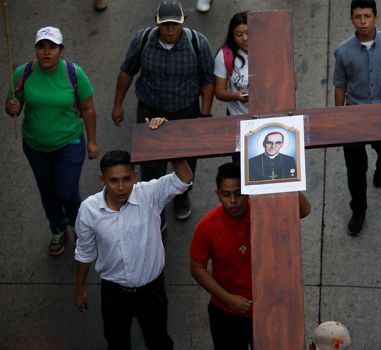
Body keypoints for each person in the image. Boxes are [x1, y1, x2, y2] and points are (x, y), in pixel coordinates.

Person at [74, 118, 193, 349]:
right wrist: (79, 290)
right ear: (102, 180)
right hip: (113, 292)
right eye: (114, 181)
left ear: (135, 176)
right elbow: (84, 252)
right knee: (117, 343)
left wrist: (165, 136)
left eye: (126, 179)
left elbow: (184, 178)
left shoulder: (150, 194)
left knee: (158, 341)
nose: (121, 187)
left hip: (152, 289)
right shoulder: (89, 209)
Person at [111, 0, 214, 226]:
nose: (169, 30)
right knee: (151, 166)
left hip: (186, 112)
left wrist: (205, 113)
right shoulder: (143, 40)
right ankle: (155, 210)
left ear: (183, 23)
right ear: (156, 23)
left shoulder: (198, 43)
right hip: (150, 111)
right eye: (165, 24)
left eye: (174, 25)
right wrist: (117, 104)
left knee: (186, 161)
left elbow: (208, 79)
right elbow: (127, 71)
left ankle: (182, 196)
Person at [190, 162, 310, 350]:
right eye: (226, 194)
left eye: (238, 193)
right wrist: (228, 298)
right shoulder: (206, 226)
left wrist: (286, 178)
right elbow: (197, 268)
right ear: (217, 194)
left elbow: (303, 210)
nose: (233, 201)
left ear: (248, 191)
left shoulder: (266, 211)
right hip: (225, 313)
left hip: (270, 309)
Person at [4, 26, 98, 256]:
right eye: (41, 47)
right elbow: (13, 107)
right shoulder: (23, 74)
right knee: (47, 191)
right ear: (36, 50)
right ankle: (57, 229)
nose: (46, 52)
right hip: (35, 146)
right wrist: (11, 107)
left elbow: (88, 108)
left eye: (52, 47)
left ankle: (81, 227)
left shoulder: (74, 74)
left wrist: (92, 141)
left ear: (61, 50)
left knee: (66, 191)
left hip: (69, 143)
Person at [333, 0, 381, 236]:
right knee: (355, 169)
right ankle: (359, 210)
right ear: (351, 19)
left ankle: (380, 166)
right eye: (358, 17)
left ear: (376, 17)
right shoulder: (343, 51)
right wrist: (340, 117)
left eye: (367, 16)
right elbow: (340, 85)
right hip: (355, 115)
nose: (363, 21)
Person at [214, 11, 249, 162]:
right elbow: (219, 92)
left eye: (249, 32)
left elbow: (292, 85)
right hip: (237, 120)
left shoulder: (271, 49)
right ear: (232, 36)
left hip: (268, 117)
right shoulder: (225, 55)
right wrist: (236, 96)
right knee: (240, 165)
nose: (245, 38)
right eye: (239, 34)